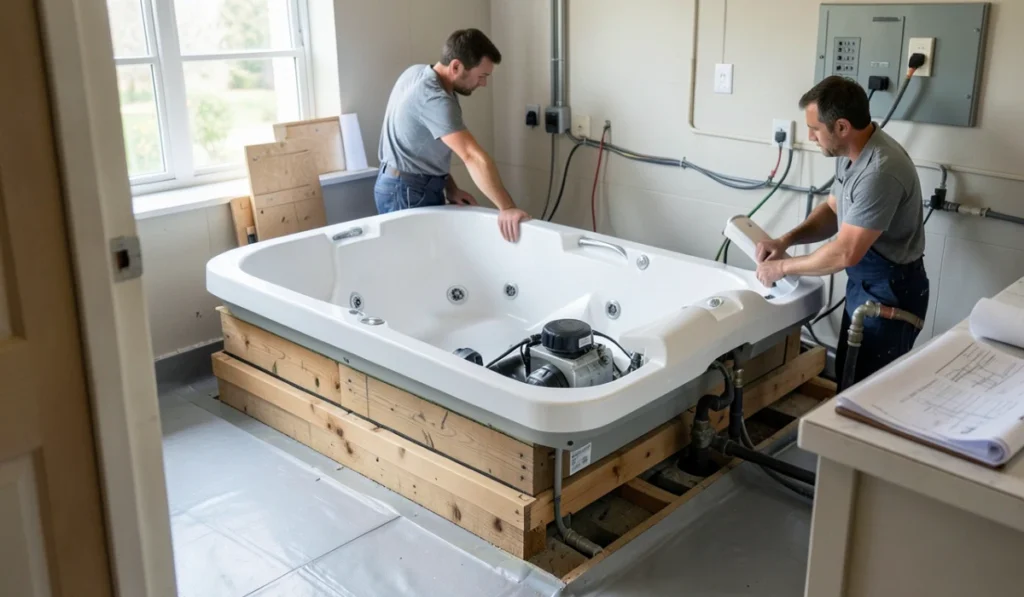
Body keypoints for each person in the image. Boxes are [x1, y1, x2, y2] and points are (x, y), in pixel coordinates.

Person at [754, 76, 929, 388]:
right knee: (849, 379)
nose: (809, 136)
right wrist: (785, 241)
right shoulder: (851, 156)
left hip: (892, 290)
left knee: (868, 394)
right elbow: (833, 211)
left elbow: (846, 251)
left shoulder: (879, 171)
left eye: (815, 129)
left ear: (842, 127)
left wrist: (781, 267)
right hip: (866, 285)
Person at [374, 28, 530, 242]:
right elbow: (471, 156)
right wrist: (507, 207)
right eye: (481, 76)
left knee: (426, 262)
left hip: (404, 184)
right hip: (408, 192)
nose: (483, 83)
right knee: (417, 266)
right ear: (456, 66)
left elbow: (421, 147)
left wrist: (450, 187)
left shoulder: (416, 73)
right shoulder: (435, 98)